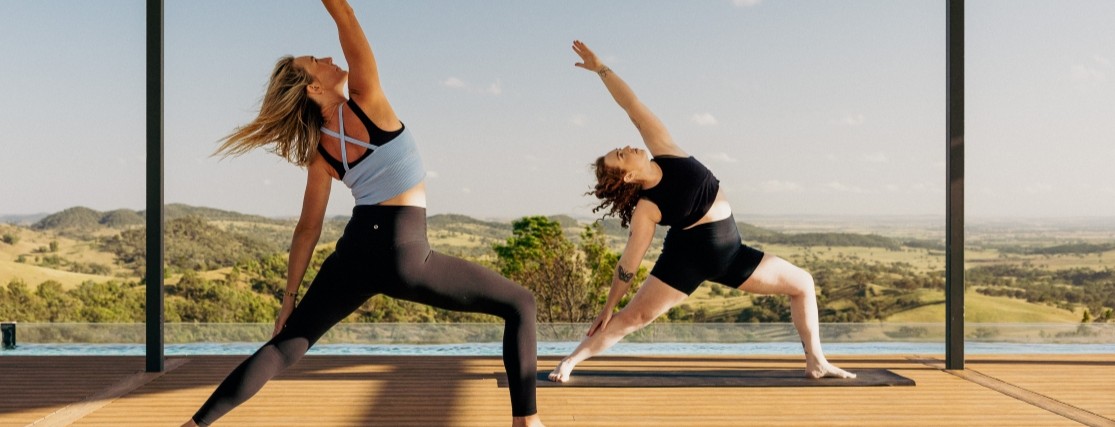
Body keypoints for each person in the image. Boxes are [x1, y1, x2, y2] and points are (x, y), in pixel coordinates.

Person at [183, 2, 543, 426]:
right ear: (313, 89)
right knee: (521, 303)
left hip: (356, 253)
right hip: (406, 252)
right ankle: (527, 423)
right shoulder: (366, 100)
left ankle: (193, 426)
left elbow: (308, 229)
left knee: (284, 348)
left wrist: (289, 300)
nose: (329, 59)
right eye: (317, 62)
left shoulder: (321, 152)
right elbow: (346, 16)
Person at [548, 40, 855, 383]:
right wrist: (607, 308)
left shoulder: (664, 148)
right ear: (629, 176)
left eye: (619, 149)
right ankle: (571, 360)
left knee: (803, 283)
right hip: (688, 259)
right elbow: (628, 264)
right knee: (634, 317)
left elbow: (631, 106)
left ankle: (816, 361)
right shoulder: (646, 209)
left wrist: (601, 68)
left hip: (731, 253)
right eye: (620, 156)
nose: (626, 148)